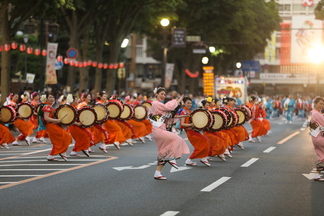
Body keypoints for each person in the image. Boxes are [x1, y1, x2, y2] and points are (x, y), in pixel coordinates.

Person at [149, 87, 190, 180]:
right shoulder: (155, 104)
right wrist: (176, 101)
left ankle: (157, 173)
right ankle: (171, 157)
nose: (163, 96)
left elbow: (170, 115)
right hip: (158, 130)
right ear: (156, 94)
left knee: (164, 151)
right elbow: (169, 107)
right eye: (161, 94)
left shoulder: (160, 106)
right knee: (177, 139)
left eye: (164, 94)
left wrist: (184, 115)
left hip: (161, 129)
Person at [39, 92, 72, 161]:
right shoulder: (46, 107)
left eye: (53, 97)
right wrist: (57, 120)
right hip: (51, 125)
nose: (52, 99)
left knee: (59, 140)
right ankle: (60, 153)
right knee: (66, 137)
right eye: (50, 97)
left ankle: (53, 154)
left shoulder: (49, 106)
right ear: (46, 99)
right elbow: (46, 118)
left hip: (53, 125)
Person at [180, 98, 211, 167]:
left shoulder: (189, 111)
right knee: (204, 142)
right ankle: (200, 158)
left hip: (193, 130)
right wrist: (191, 125)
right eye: (188, 103)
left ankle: (194, 159)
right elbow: (182, 124)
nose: (189, 104)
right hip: (190, 132)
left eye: (190, 103)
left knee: (205, 142)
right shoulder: (183, 112)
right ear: (184, 103)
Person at [309, 97, 324, 181]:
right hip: (320, 138)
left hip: (315, 138)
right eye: (320, 104)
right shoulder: (317, 114)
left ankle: (317, 174)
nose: (322, 106)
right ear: (315, 103)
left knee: (322, 157)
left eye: (323, 104)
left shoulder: (314, 113)